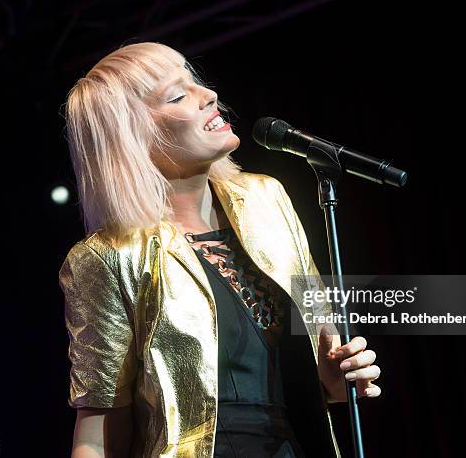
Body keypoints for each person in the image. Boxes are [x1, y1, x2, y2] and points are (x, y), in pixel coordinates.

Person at [60, 41, 381, 458]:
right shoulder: (107, 257)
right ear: (133, 139)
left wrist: (339, 378)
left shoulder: (267, 201)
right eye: (177, 95)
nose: (208, 95)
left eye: (194, 82)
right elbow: (100, 426)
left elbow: (322, 359)